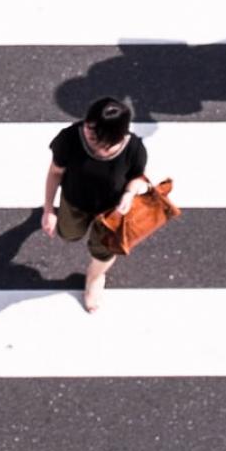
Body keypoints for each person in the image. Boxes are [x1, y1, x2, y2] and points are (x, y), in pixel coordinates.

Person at [41, 97, 150, 313]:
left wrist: (129, 193)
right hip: (74, 202)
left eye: (95, 133)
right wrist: (48, 209)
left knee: (104, 251)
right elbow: (55, 173)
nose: (88, 134)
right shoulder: (71, 138)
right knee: (69, 234)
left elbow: (138, 177)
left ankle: (94, 279)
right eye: (88, 127)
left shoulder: (134, 148)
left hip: (111, 212)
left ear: (115, 135)